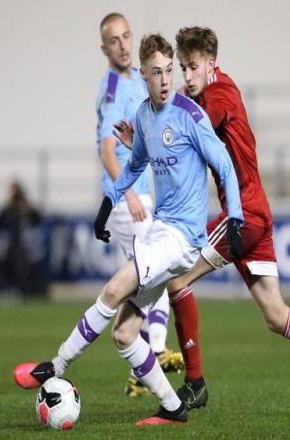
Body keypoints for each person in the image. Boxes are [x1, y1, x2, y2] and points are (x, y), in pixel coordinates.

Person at [14, 33, 244, 426]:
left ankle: (55, 365)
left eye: (169, 71)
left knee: (112, 289)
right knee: (124, 333)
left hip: (181, 238)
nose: (166, 80)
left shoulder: (190, 115)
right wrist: (107, 204)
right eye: (157, 72)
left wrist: (234, 217)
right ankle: (172, 407)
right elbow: (135, 165)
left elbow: (223, 164)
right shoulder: (143, 116)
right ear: (144, 75)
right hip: (160, 232)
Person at [164, 27, 290, 417]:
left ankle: (195, 382)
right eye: (182, 68)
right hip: (256, 212)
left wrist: (156, 124)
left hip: (242, 215)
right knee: (276, 315)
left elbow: (192, 129)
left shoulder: (219, 94)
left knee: (176, 281)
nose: (187, 76)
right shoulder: (209, 92)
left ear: (211, 64)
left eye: (193, 67)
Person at [95, 12, 183, 397]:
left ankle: (144, 363)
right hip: (126, 200)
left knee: (151, 277)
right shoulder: (113, 89)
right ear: (104, 48)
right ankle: (153, 354)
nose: (123, 45)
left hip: (142, 196)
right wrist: (129, 194)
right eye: (114, 40)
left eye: (126, 36)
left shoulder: (137, 77)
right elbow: (106, 149)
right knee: (151, 274)